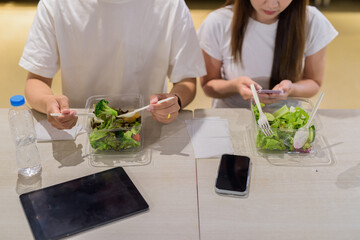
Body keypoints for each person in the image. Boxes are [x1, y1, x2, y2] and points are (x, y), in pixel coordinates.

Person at [19, 0, 206, 129]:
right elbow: (37, 80)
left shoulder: (171, 5)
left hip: (148, 128)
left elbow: (186, 81)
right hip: (80, 128)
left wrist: (174, 101)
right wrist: (49, 103)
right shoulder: (56, 4)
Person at [197, 0, 338, 108]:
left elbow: (314, 82)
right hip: (232, 116)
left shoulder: (312, 20)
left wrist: (292, 88)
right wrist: (235, 86)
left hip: (284, 122)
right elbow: (209, 85)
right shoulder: (218, 21)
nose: (271, 4)